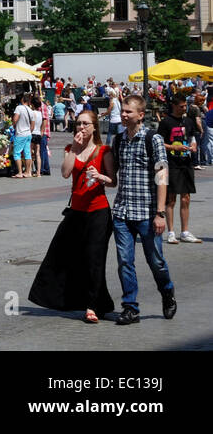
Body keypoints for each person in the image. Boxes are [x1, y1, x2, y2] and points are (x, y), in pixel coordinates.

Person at [28, 109, 116, 323]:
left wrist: (100, 176)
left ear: (95, 127)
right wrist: (75, 149)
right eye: (78, 123)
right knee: (63, 255)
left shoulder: (104, 151)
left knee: (94, 259)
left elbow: (113, 181)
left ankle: (92, 306)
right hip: (76, 211)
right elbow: (66, 172)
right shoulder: (71, 148)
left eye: (86, 124)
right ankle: (84, 300)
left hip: (98, 212)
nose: (81, 127)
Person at [111, 94, 176, 324]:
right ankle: (130, 307)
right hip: (122, 213)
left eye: (129, 111)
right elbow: (112, 176)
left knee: (155, 261)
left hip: (148, 214)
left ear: (140, 115)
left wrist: (160, 214)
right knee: (125, 262)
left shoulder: (153, 139)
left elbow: (162, 177)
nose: (124, 114)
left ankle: (167, 291)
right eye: (123, 110)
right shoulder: (118, 140)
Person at [158, 94, 201, 244]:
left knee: (186, 197)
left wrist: (193, 144)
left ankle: (185, 231)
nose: (184, 108)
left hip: (186, 162)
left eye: (185, 106)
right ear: (174, 106)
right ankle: (171, 232)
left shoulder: (188, 121)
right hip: (172, 163)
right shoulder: (165, 122)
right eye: (182, 106)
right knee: (171, 199)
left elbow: (192, 137)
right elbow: (160, 143)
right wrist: (174, 147)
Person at [12, 93, 36, 178]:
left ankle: (19, 172)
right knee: (27, 153)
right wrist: (29, 131)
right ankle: (28, 172)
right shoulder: (31, 110)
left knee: (17, 153)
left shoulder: (19, 108)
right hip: (28, 134)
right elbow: (33, 125)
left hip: (20, 133)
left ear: (22, 100)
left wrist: (14, 126)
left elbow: (15, 119)